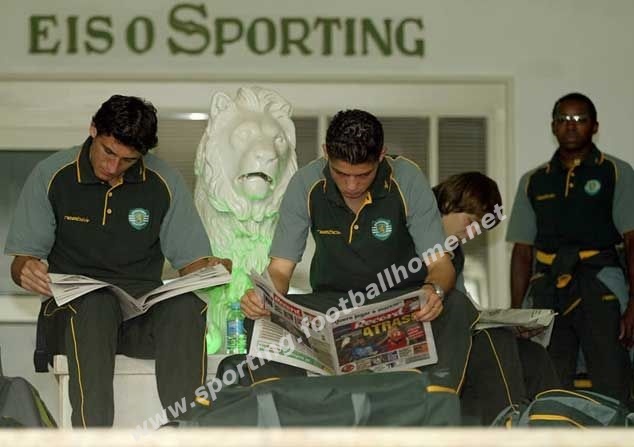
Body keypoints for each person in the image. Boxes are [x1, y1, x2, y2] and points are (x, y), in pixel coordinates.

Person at [4, 95, 232, 427]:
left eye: (127, 160)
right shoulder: (52, 174)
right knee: (95, 304)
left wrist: (210, 268)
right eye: (108, 152)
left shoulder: (163, 181)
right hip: (73, 316)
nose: (113, 167)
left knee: (186, 305)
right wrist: (25, 270)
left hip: (139, 315)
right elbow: (20, 263)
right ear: (93, 130)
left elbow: (192, 264)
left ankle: (186, 430)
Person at [240, 109, 478, 391]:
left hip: (400, 304)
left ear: (381, 156)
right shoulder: (305, 183)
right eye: (341, 173)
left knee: (455, 305)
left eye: (363, 175)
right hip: (333, 307)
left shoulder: (407, 179)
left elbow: (440, 266)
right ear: (326, 153)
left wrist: (433, 291)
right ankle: (283, 401)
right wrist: (263, 297)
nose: (351, 185)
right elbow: (280, 270)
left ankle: (434, 399)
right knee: (259, 316)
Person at [506, 92, 634, 405]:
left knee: (612, 378)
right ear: (553, 126)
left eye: (580, 119)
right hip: (548, 289)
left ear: (595, 126)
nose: (571, 125)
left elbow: (632, 241)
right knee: (548, 380)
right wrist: (517, 312)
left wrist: (633, 305)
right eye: (563, 119)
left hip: (600, 283)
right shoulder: (534, 180)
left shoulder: (615, 172)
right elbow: (522, 251)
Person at [433, 172, 560, 424]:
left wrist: (512, 325)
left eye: (479, 229)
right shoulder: (411, 231)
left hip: (450, 330)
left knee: (533, 355)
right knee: (495, 339)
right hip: (422, 333)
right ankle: (507, 426)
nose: (472, 233)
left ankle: (554, 425)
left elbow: (465, 305)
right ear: (449, 201)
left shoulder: (454, 253)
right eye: (471, 222)